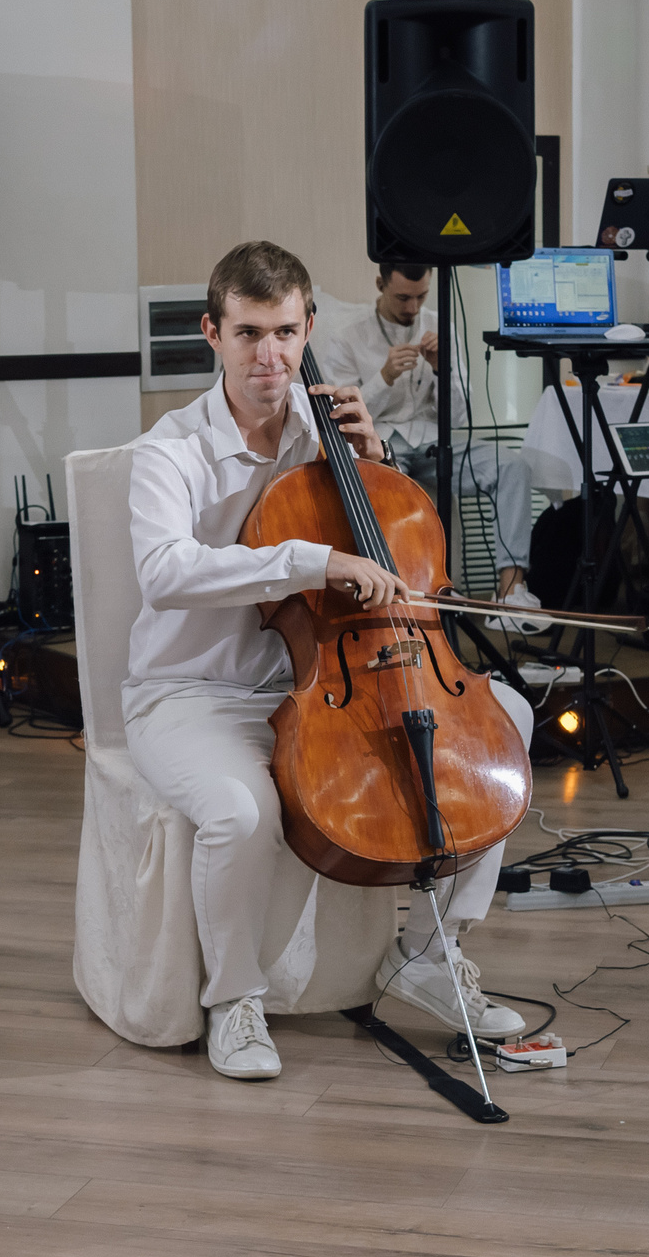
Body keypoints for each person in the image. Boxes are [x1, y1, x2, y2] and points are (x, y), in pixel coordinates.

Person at [125, 240, 536, 1080]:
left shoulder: (332, 437)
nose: (269, 355)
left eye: (284, 332)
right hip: (191, 693)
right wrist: (313, 561)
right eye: (248, 333)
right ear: (212, 332)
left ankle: (426, 952)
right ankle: (234, 999)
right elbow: (166, 573)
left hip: (314, 685)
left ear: (309, 326)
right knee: (240, 812)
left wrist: (374, 468)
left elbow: (396, 556)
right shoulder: (168, 451)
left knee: (508, 728)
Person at [315, 263, 545, 629]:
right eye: (403, 297)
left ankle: (510, 594)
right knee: (390, 492)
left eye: (421, 297)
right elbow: (340, 417)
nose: (412, 308)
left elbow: (459, 417)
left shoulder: (441, 327)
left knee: (512, 466)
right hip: (384, 444)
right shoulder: (348, 336)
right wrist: (384, 377)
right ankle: (409, 599)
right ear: (380, 283)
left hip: (437, 443)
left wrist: (442, 370)